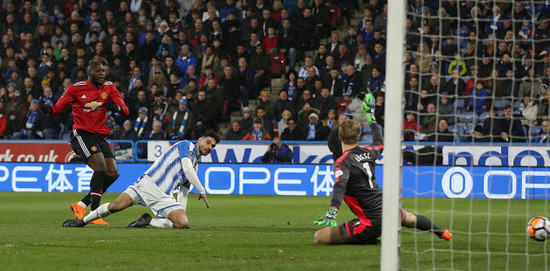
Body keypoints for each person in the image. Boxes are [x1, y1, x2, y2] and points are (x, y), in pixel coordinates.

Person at [313, 100, 451, 245]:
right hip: (387, 209)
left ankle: (369, 238)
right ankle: (442, 231)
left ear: (340, 138)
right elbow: (379, 141)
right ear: (358, 137)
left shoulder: (342, 161)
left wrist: (333, 210)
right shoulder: (369, 151)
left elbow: (340, 185)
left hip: (371, 222)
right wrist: (370, 117)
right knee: (409, 219)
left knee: (319, 237)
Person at [62, 133, 219, 228]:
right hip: (147, 183)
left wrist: (179, 211)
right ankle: (82, 221)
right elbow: (186, 169)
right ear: (200, 140)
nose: (210, 147)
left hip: (163, 196)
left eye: (213, 146)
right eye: (208, 142)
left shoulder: (195, 167)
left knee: (183, 223)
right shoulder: (186, 145)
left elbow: (183, 193)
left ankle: (148, 221)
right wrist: (202, 190)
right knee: (114, 206)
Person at [41, 61, 129, 225]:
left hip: (98, 135)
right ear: (90, 73)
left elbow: (125, 109)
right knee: (100, 168)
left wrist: (119, 108)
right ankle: (95, 215)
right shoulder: (75, 88)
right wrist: (48, 110)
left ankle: (80, 205)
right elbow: (57, 108)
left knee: (113, 173)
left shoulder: (109, 87)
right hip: (81, 134)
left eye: (103, 70)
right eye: (98, 71)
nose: (102, 73)